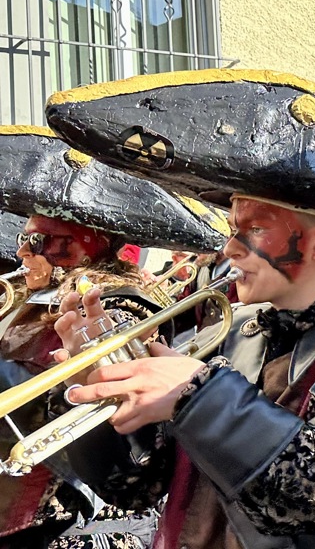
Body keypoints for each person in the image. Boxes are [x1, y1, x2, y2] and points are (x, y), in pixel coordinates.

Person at [44, 69, 315, 548]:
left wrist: (195, 398)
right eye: (233, 229)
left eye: (255, 229)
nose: (229, 249)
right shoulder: (231, 330)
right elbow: (137, 488)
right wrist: (96, 391)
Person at [0, 126, 226, 549]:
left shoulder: (120, 303)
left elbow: (103, 405)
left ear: (83, 246)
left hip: (67, 512)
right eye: (22, 239)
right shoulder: (30, 298)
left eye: (37, 241)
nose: (22, 253)